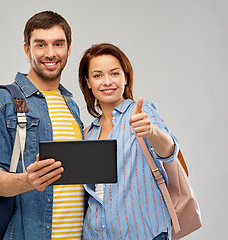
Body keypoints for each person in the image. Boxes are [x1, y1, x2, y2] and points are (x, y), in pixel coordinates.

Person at [0, 11, 85, 239]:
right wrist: (26, 181)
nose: (50, 53)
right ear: (27, 49)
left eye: (58, 44)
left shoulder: (71, 105)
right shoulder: (3, 101)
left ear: (68, 48)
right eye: (40, 45)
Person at [78, 43, 180, 240]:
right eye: (98, 75)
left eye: (114, 73)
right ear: (88, 82)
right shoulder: (87, 133)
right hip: (96, 234)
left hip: (144, 233)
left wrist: (152, 132)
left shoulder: (142, 113)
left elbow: (170, 151)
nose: (107, 82)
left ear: (125, 77)